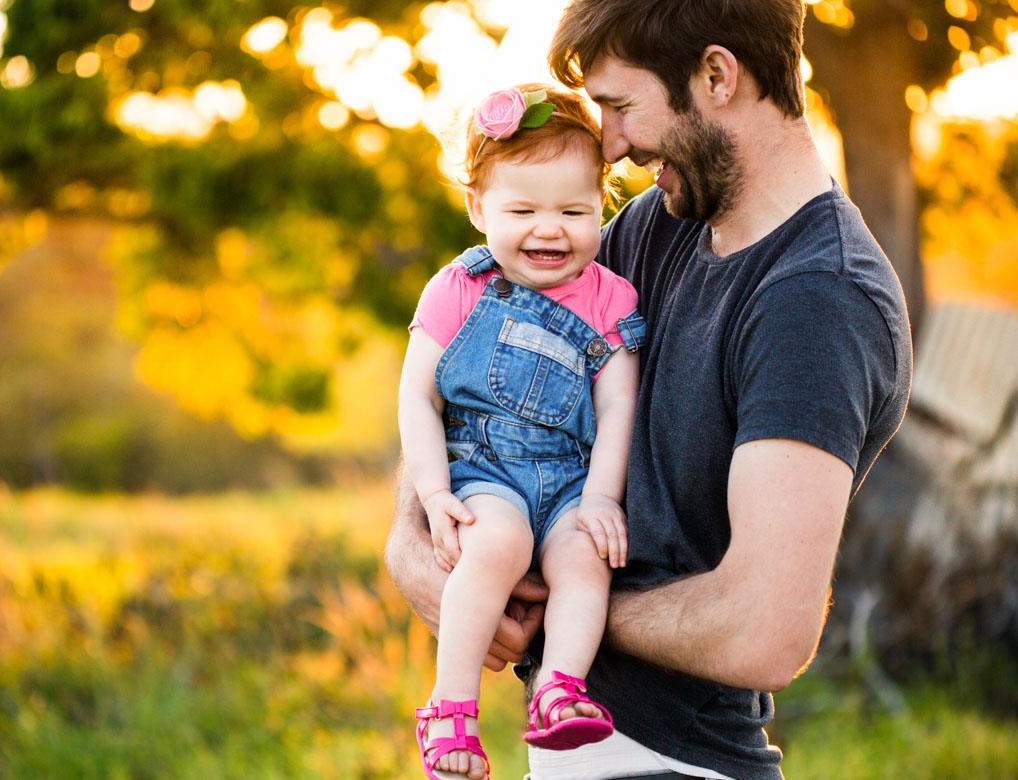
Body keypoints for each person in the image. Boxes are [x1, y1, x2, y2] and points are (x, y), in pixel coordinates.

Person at [387, 1, 913, 779]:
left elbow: (763, 631)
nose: (610, 142)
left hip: (677, 764)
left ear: (715, 75)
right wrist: (416, 546)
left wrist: (557, 609)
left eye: (620, 105)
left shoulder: (819, 300)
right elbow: (470, 383)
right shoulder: (650, 227)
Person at [399, 84, 646, 779]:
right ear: (479, 208)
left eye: (574, 210)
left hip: (571, 479)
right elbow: (418, 396)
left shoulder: (610, 297)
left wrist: (601, 497)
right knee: (497, 543)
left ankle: (559, 690)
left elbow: (619, 404)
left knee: (584, 560)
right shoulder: (458, 287)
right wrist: (432, 488)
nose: (550, 229)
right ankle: (451, 710)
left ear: (603, 203)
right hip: (488, 473)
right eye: (523, 210)